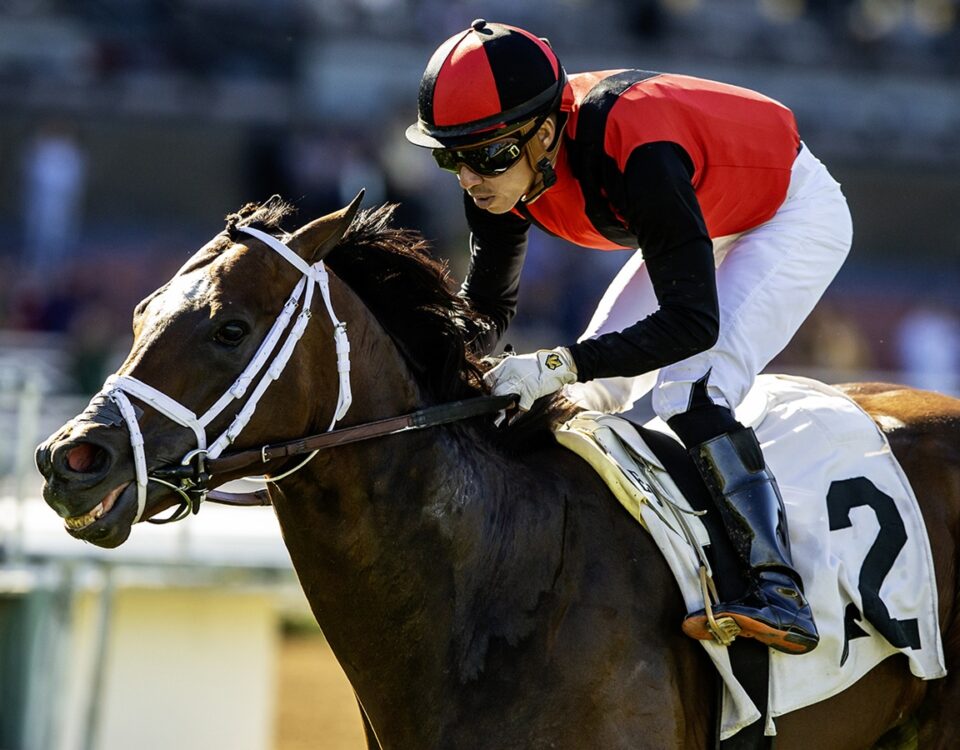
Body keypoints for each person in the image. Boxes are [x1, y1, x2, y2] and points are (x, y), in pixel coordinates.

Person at [405, 19, 853, 655]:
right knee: (593, 391)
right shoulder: (501, 169)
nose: (471, 178)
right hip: (706, 209)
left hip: (787, 212)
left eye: (489, 156)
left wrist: (557, 362)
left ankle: (777, 590)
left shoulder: (636, 148)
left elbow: (692, 323)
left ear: (545, 129)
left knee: (691, 390)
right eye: (450, 157)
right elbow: (484, 312)